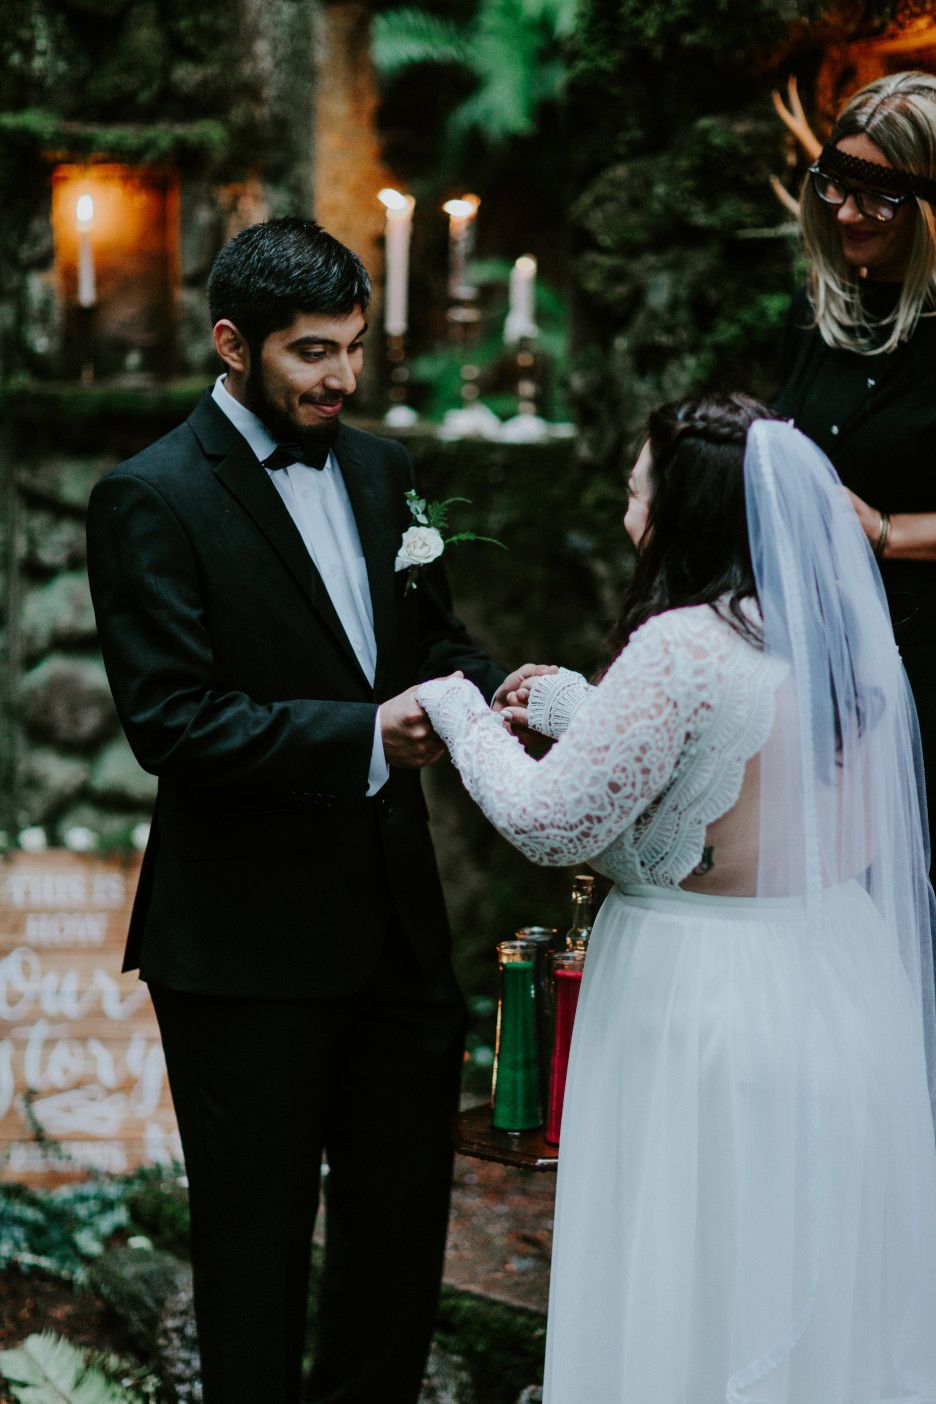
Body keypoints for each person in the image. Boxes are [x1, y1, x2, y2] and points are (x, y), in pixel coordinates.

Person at [85, 216, 550, 1404]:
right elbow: (174, 723)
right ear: (233, 345)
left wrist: (496, 680)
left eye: (352, 348)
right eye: (311, 354)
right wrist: (364, 737)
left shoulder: (384, 469)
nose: (343, 377)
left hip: (396, 934)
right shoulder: (148, 496)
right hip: (243, 952)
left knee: (396, 1255)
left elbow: (425, 640)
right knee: (255, 1263)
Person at [418, 394, 936, 1403]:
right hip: (830, 977)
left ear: (684, 514)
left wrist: (456, 708)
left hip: (699, 1000)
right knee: (781, 1273)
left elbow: (553, 823)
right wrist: (579, 707)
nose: (626, 510)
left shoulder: (683, 645)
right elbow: (750, 770)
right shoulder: (829, 634)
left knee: (682, 1273)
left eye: (636, 491)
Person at [776, 70, 936, 866]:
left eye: (878, 197)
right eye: (834, 185)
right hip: (820, 660)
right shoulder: (816, 310)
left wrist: (886, 531)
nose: (845, 212)